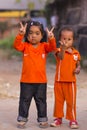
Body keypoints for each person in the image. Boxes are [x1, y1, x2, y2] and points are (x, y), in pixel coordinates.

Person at [13, 20, 56, 129]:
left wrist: (51, 38)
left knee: (41, 101)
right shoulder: (25, 46)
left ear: (42, 36)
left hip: (41, 81)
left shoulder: (44, 46)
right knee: (24, 100)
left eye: (37, 33)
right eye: (30, 33)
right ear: (27, 35)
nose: (33, 36)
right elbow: (16, 46)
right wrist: (20, 34)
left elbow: (53, 48)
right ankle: (22, 119)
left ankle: (42, 119)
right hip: (26, 81)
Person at [50, 26, 81, 129]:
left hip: (71, 82)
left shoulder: (76, 53)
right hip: (59, 81)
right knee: (58, 101)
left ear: (73, 40)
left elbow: (78, 64)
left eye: (69, 39)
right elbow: (61, 57)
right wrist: (63, 48)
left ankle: (72, 119)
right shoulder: (58, 51)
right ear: (60, 39)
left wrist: (78, 69)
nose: (66, 41)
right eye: (64, 38)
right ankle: (58, 118)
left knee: (71, 102)